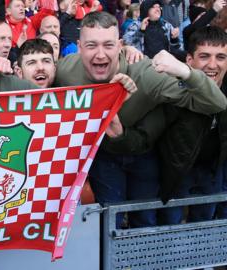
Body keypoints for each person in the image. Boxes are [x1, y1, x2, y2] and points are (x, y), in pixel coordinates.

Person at [55, 11, 227, 227]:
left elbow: (216, 103)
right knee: (109, 220)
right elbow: (32, 85)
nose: (100, 54)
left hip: (143, 153)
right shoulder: (65, 70)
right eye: (91, 46)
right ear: (79, 47)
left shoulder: (146, 74)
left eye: (108, 45)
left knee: (145, 218)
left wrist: (185, 70)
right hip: (103, 155)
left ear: (120, 45)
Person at [158, 26, 227, 224]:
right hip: (176, 172)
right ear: (189, 60)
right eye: (204, 56)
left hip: (212, 171)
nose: (212, 65)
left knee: (205, 227)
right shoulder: (172, 88)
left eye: (220, 57)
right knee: (170, 228)